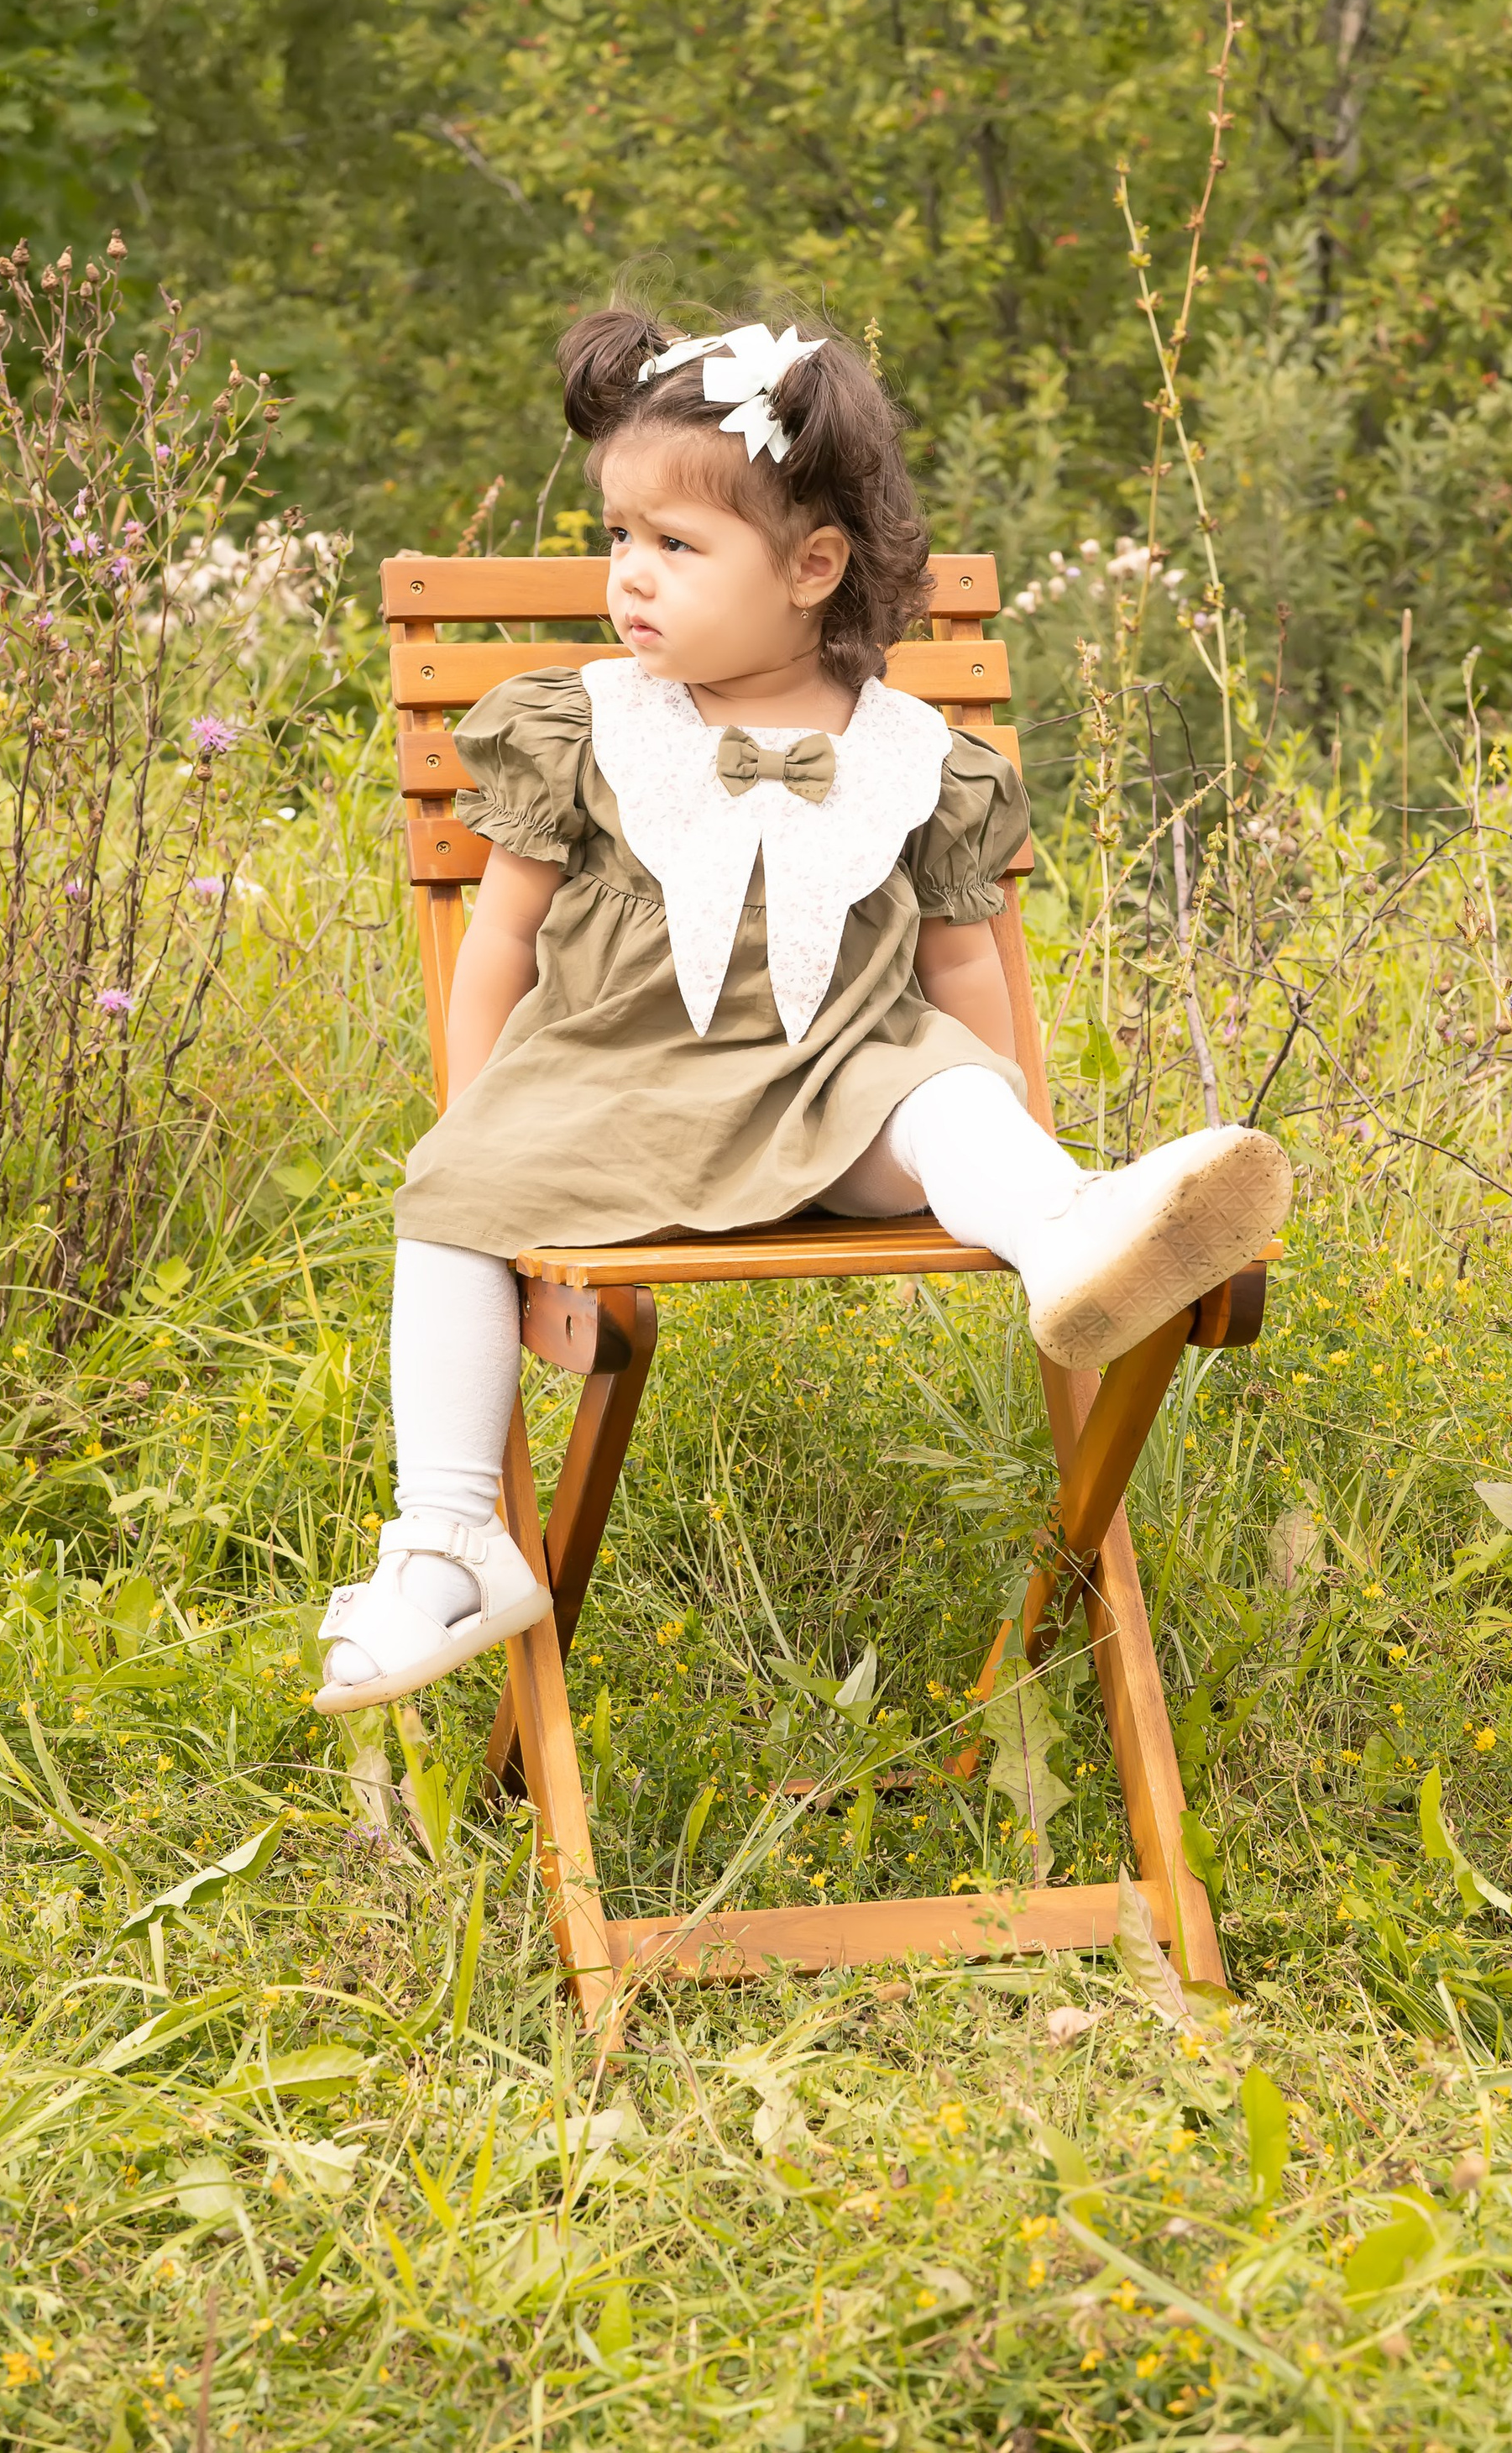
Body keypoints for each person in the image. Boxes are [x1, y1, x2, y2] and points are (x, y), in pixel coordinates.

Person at [313, 303, 1292, 1711]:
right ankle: (452, 1539)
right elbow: (503, 941)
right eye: (618, 537)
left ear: (814, 566)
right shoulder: (588, 723)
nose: (629, 575)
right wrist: (478, 1128)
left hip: (843, 1089)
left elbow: (963, 973)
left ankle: (1069, 1230)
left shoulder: (913, 753)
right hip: (615, 1089)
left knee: (945, 1090)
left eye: (676, 545)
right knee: (447, 1199)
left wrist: (1003, 1119)